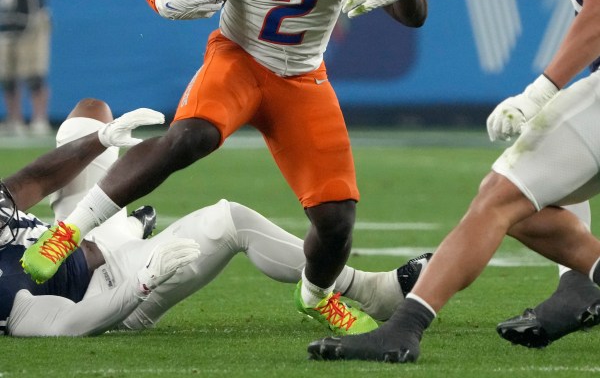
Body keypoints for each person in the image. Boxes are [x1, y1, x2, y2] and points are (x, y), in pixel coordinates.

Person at [20, 0, 428, 337]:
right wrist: (164, 0)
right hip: (240, 57)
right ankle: (69, 232)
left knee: (336, 220)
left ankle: (317, 295)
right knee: (189, 136)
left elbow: (412, 17)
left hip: (303, 75)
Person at [306, 0, 600, 363]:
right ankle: (583, 281)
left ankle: (406, 327)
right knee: (526, 204)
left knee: (498, 199)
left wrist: (542, 88)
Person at [2, 96, 432, 336]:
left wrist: (100, 139)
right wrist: (141, 282)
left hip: (73, 244)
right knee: (230, 220)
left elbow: (29, 182)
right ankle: (369, 288)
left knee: (87, 116)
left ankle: (129, 228)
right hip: (105, 290)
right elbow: (66, 324)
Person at [0, 0, 52, 137]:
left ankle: (39, 118)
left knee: (34, 74)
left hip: (31, 23)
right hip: (5, 23)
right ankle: (15, 119)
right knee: (7, 76)